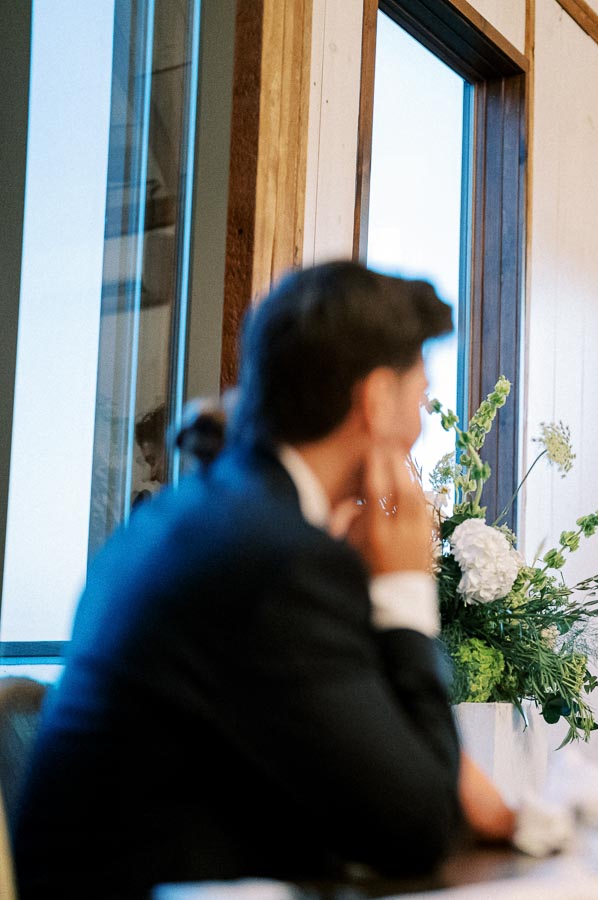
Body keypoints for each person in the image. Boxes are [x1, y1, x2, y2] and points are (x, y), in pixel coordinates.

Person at [15, 262, 512, 898]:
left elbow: (375, 780)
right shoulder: (275, 560)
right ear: (377, 400)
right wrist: (404, 589)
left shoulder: (212, 513)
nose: (419, 424)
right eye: (420, 395)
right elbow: (414, 832)